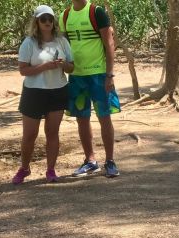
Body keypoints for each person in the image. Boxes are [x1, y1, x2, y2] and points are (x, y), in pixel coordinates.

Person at [12, 5, 74, 185]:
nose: (47, 22)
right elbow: (23, 70)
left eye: (50, 19)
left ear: (54, 21)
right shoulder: (29, 43)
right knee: (29, 135)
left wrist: (63, 65)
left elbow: (72, 67)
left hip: (57, 91)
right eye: (43, 19)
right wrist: (45, 67)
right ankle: (24, 168)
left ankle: (51, 170)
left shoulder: (62, 41)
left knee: (52, 133)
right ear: (37, 22)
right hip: (34, 93)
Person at [61, 0, 120, 177]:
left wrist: (109, 74)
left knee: (104, 117)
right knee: (82, 118)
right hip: (77, 77)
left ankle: (110, 161)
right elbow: (64, 46)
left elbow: (109, 44)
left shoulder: (97, 12)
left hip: (99, 75)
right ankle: (90, 161)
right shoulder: (64, 16)